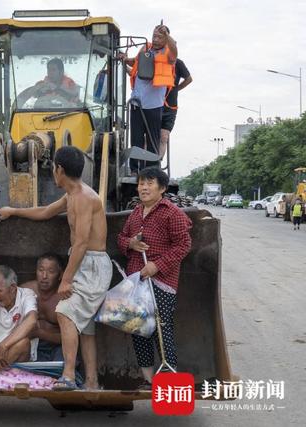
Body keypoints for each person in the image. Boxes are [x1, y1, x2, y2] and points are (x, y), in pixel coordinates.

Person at [0, 146, 111, 391]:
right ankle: (92, 382)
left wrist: (66, 279)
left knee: (65, 311)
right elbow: (46, 212)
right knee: (85, 325)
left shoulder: (83, 198)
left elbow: (80, 243)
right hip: (81, 262)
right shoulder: (71, 195)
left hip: (91, 266)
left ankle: (68, 376)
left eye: (53, 168)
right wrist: (13, 211)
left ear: (59, 169)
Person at [117, 167, 192, 389]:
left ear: (162, 188)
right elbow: (121, 238)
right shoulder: (136, 212)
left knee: (161, 328)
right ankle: (148, 381)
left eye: (149, 183)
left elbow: (184, 245)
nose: (143, 187)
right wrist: (130, 243)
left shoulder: (172, 212)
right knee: (138, 329)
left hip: (161, 282)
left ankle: (169, 382)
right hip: (136, 282)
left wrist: (157, 266)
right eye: (141, 183)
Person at [118, 25, 177, 173]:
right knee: (136, 139)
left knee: (152, 140)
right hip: (137, 103)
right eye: (154, 36)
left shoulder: (168, 52)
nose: (155, 39)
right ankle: (134, 169)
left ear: (166, 38)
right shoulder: (145, 49)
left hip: (154, 105)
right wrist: (125, 59)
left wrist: (168, 36)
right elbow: (135, 62)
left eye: (160, 37)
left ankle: (150, 170)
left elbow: (174, 53)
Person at [20, 254, 64, 362]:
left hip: (57, 346)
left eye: (51, 271)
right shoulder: (25, 290)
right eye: (41, 270)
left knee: (59, 369)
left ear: (60, 275)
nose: (44, 276)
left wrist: (40, 333)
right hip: (28, 344)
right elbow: (1, 310)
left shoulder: (63, 297)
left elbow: (71, 337)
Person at [17, 58, 81, 108]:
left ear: (61, 72)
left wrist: (57, 88)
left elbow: (75, 94)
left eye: (53, 70)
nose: (50, 72)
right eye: (49, 69)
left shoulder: (70, 84)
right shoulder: (41, 84)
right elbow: (25, 96)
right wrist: (38, 88)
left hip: (66, 116)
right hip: (41, 117)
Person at [160, 59, 192, 159]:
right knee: (148, 137)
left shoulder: (178, 63)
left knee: (164, 137)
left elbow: (189, 79)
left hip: (170, 107)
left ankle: (157, 163)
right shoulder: (156, 59)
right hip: (153, 105)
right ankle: (145, 164)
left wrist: (176, 89)